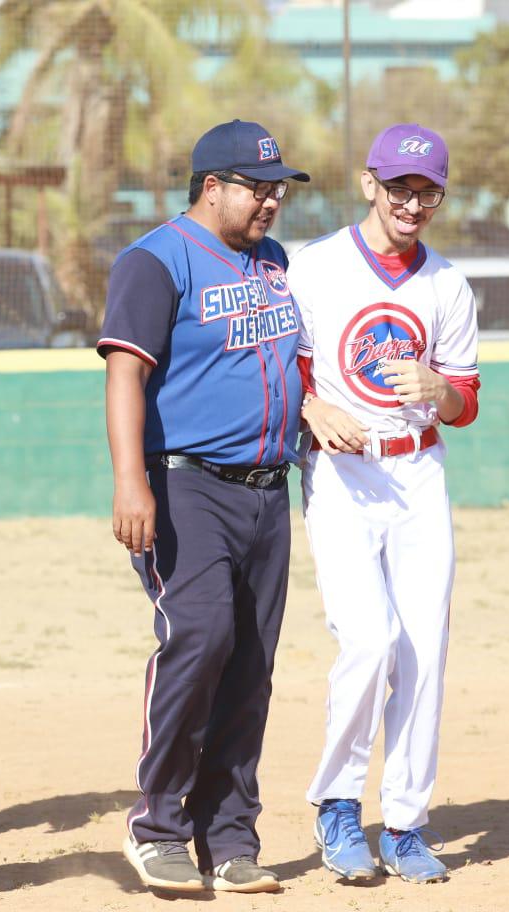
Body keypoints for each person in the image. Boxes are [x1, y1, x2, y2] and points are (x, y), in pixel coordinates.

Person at [99, 119, 309, 895]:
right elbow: (125, 373)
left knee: (251, 664)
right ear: (211, 187)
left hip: (266, 489)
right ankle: (156, 824)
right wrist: (132, 481)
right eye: (258, 187)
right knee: (201, 637)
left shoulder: (273, 262)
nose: (272, 201)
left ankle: (227, 836)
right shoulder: (156, 261)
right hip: (185, 485)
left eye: (278, 188)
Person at [286, 123, 480, 884]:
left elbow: (466, 401)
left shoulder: (448, 285)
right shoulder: (319, 267)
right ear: (369, 184)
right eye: (399, 186)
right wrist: (308, 408)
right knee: (367, 641)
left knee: (422, 649)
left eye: (426, 190)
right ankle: (337, 803)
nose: (412, 202)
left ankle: (404, 821)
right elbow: (281, 366)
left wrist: (442, 391)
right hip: (342, 475)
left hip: (418, 474)